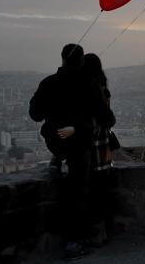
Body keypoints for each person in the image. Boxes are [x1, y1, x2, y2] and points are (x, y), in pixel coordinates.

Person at [29, 44, 113, 260]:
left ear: (63, 59)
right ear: (81, 61)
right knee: (78, 193)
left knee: (67, 191)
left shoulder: (48, 83)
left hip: (55, 143)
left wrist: (56, 120)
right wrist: (79, 124)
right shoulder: (89, 85)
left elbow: (35, 113)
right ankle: (73, 242)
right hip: (79, 145)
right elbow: (106, 118)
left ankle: (55, 163)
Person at [82, 53, 117, 246]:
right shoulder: (104, 90)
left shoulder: (83, 89)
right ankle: (103, 232)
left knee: (89, 190)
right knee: (101, 188)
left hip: (88, 143)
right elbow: (108, 119)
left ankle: (94, 233)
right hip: (103, 145)